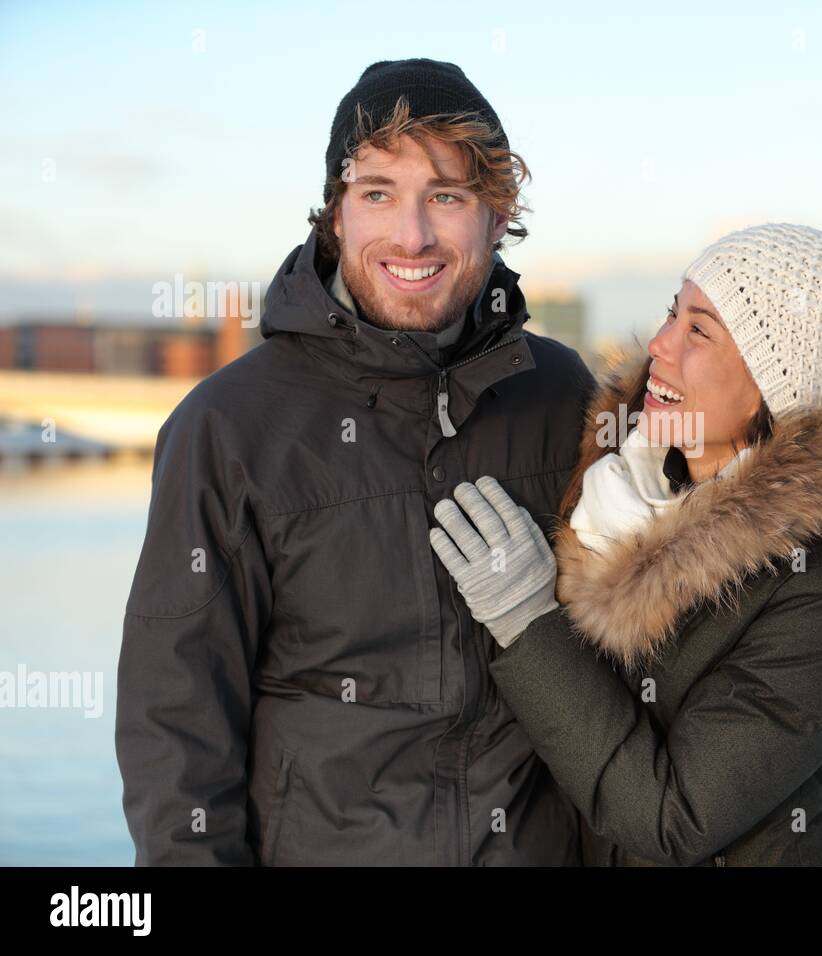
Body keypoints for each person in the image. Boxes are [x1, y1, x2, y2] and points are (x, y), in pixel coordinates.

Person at [115, 58, 595, 865]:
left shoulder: (562, 396)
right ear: (336, 213)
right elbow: (177, 729)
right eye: (377, 193)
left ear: (497, 215)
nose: (411, 236)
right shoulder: (229, 428)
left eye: (447, 195)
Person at [430, 222, 822, 865]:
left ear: (778, 390)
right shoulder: (615, 491)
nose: (661, 346)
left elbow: (674, 818)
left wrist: (527, 623)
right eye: (673, 313)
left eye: (699, 330)